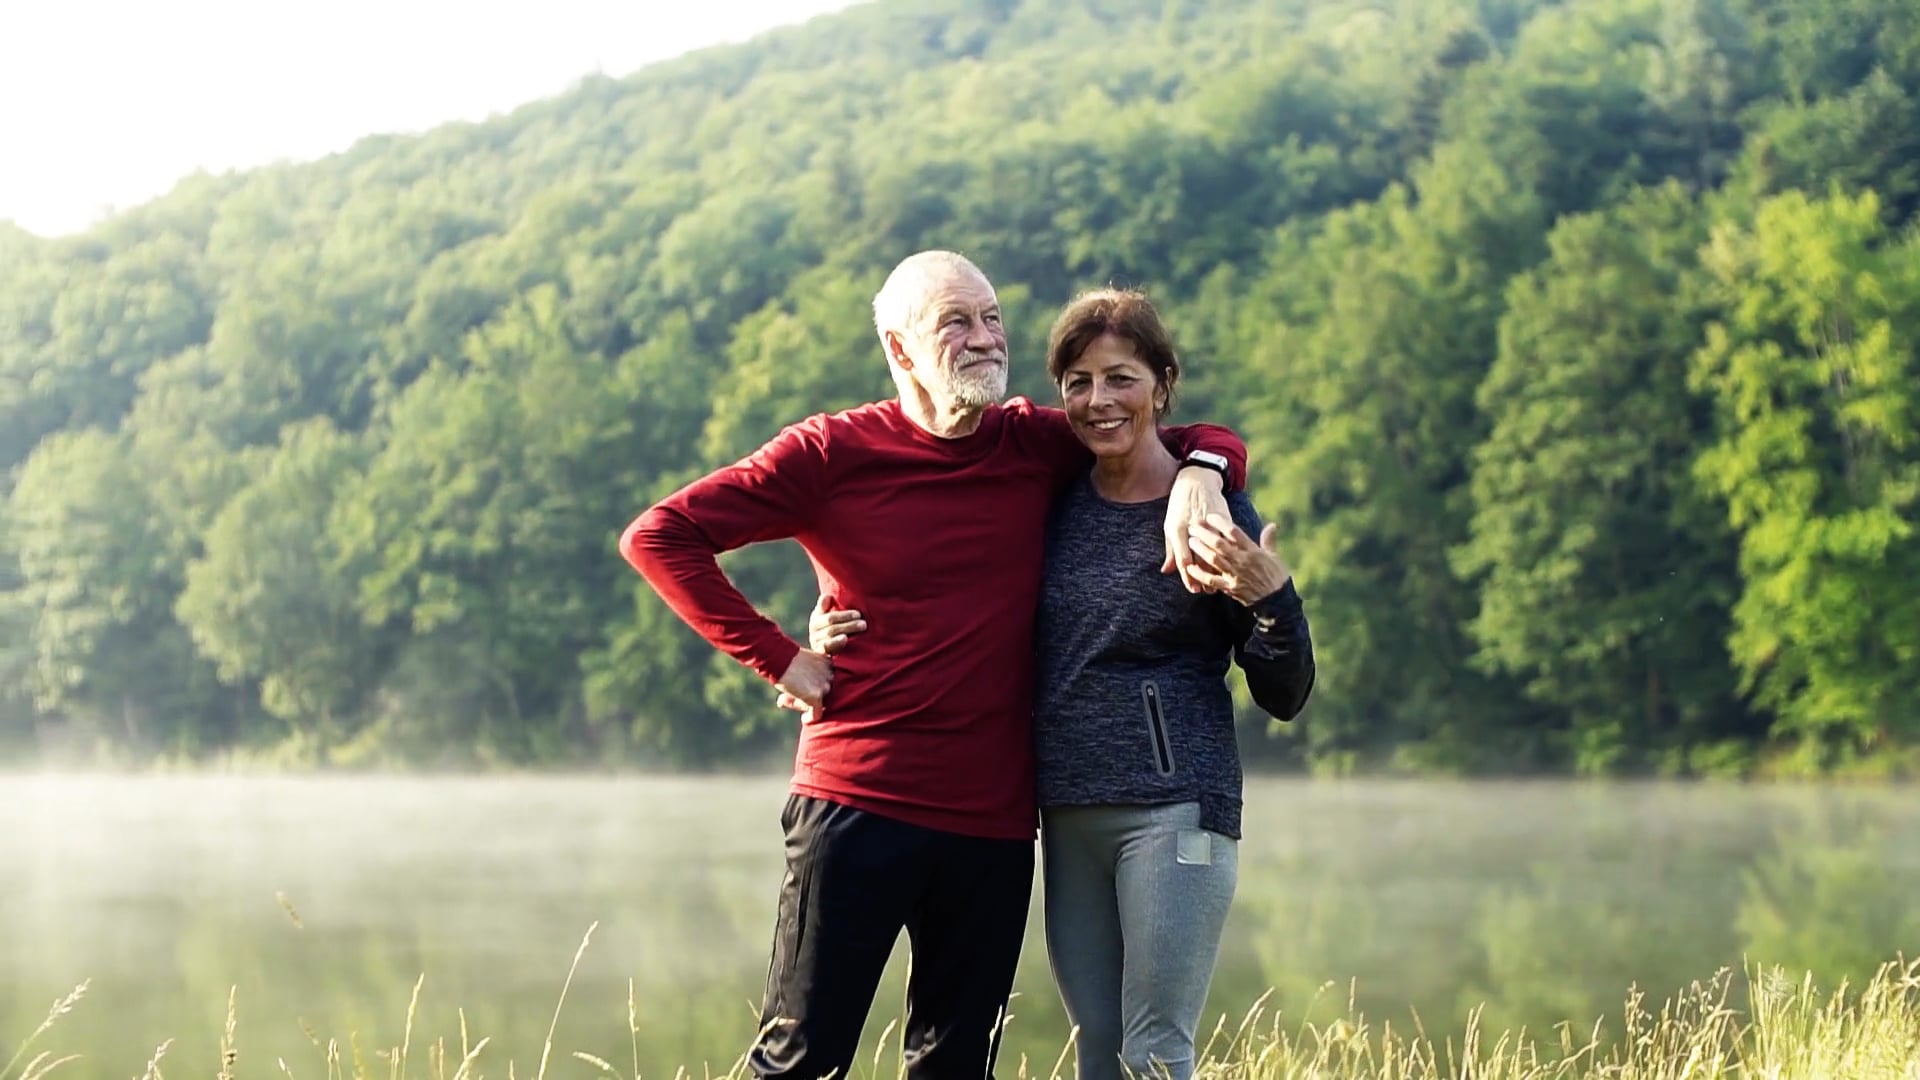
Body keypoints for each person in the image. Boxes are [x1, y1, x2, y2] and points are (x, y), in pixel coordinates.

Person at [619, 251, 1255, 1080]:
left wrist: (1206, 474)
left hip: (991, 828)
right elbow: (660, 536)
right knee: (798, 1062)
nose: (986, 338)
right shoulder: (828, 452)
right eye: (956, 321)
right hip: (856, 804)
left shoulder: (1031, 442)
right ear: (899, 346)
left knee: (955, 1067)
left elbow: (1164, 428)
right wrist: (781, 658)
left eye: (992, 318)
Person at [806, 287, 1314, 1080]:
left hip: (1176, 810)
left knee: (1155, 1051)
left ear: (1161, 383)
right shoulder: (1052, 498)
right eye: (1078, 381)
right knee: (1100, 1052)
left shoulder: (1213, 513)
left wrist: (1271, 596)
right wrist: (829, 616)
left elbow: (1284, 693)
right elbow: (945, 579)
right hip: (1065, 813)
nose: (1099, 400)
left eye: (1121, 377)